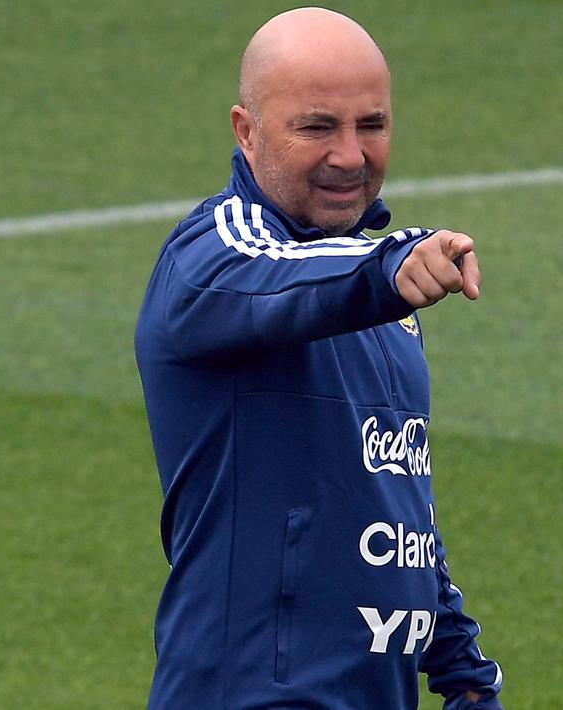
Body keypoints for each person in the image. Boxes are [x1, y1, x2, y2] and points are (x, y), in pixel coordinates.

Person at [134, 8, 504, 709]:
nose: (349, 154)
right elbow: (283, 274)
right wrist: (392, 260)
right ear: (247, 131)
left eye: (371, 125)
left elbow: (398, 516)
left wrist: (464, 671)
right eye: (316, 127)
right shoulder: (211, 257)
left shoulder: (384, 312)